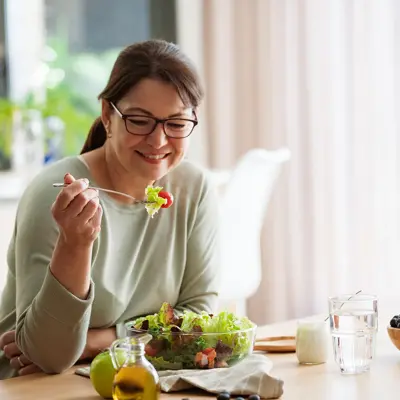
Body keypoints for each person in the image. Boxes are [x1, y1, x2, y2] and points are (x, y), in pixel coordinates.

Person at [0, 39, 220, 380]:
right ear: (108, 115)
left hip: (136, 379)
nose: (158, 141)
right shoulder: (58, 195)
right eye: (139, 120)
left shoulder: (192, 188)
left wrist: (101, 341)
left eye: (176, 123)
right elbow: (47, 356)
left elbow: (199, 320)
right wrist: (76, 243)